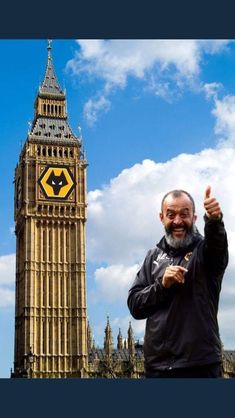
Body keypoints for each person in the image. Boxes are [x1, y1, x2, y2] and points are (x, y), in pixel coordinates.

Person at [127, 186, 228, 378]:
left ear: (195, 218)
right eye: (171, 214)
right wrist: (161, 286)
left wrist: (215, 222)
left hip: (199, 366)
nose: (178, 221)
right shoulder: (153, 257)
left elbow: (217, 247)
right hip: (157, 368)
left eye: (184, 214)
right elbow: (135, 305)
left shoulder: (204, 252)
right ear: (162, 218)